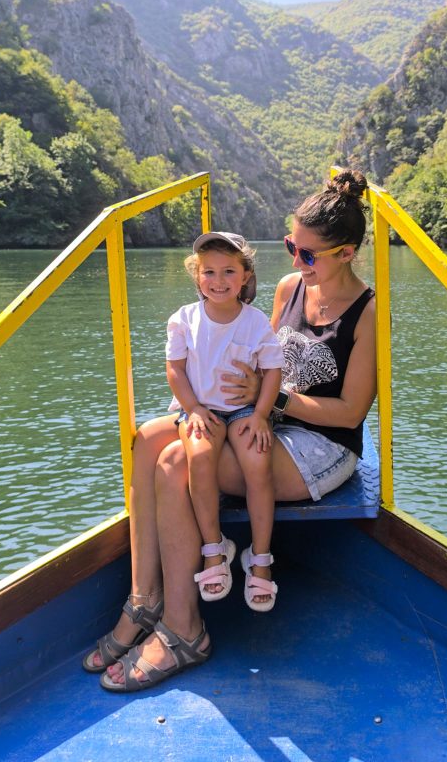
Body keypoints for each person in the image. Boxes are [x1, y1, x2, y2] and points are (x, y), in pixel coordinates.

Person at [84, 169, 376, 693]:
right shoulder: (291, 288)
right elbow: (254, 358)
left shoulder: (369, 312)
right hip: (263, 420)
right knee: (149, 438)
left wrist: (274, 400)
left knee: (176, 463)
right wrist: (220, 400)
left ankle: (183, 627)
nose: (295, 262)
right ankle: (143, 596)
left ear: (347, 253)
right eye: (292, 246)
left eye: (308, 254)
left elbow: (351, 414)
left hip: (319, 446)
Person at [167, 232, 283, 611]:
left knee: (258, 461)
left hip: (243, 410)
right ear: (197, 276)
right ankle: (215, 549)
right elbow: (175, 370)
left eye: (229, 271)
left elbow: (271, 371)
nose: (218, 281)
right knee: (199, 459)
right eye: (209, 272)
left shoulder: (254, 321)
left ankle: (260, 557)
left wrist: (262, 415)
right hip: (201, 408)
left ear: (245, 275)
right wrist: (193, 408)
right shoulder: (184, 319)